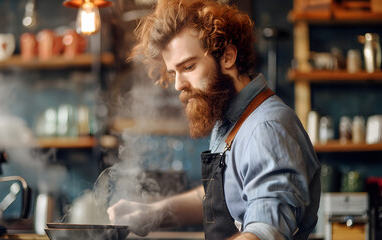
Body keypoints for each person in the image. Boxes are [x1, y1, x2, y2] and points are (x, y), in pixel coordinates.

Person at [107, 0, 321, 239]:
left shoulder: (265, 128)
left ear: (227, 56)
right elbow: (220, 194)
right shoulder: (233, 120)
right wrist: (154, 212)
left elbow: (266, 231)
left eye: (188, 66)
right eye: (173, 73)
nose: (178, 85)